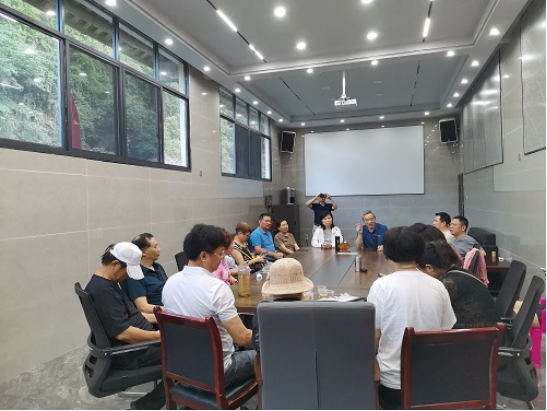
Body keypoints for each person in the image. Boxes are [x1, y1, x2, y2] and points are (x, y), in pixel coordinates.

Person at [367, 227, 456, 410]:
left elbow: (374, 336)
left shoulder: (381, 286)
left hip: (392, 383)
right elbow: (446, 331)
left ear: (387, 253)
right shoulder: (438, 286)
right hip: (430, 380)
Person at [162, 224, 256, 388]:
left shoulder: (170, 283)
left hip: (181, 371)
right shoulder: (217, 288)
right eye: (220, 253)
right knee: (271, 352)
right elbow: (242, 338)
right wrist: (272, 338)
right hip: (217, 373)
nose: (222, 258)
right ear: (204, 256)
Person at [84, 243, 165, 410]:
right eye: (126, 271)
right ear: (115, 264)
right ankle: (145, 406)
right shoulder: (103, 292)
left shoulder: (109, 283)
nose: (127, 276)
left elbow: (134, 315)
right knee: (187, 355)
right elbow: (124, 334)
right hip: (135, 351)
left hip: (144, 343)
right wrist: (160, 336)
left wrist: (166, 318)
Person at [417, 241, 501, 330]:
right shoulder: (458, 273)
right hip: (491, 331)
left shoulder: (449, 283)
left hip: (480, 335)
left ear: (429, 268)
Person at [252, 259, 314, 355]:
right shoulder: (312, 315)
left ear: (272, 292)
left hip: (271, 364)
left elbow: (259, 349)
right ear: (302, 291)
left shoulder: (260, 317)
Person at [126, 233, 168, 314]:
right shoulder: (135, 274)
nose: (159, 249)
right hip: (162, 315)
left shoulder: (158, 267)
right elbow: (143, 307)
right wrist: (169, 310)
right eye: (155, 247)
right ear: (143, 252)